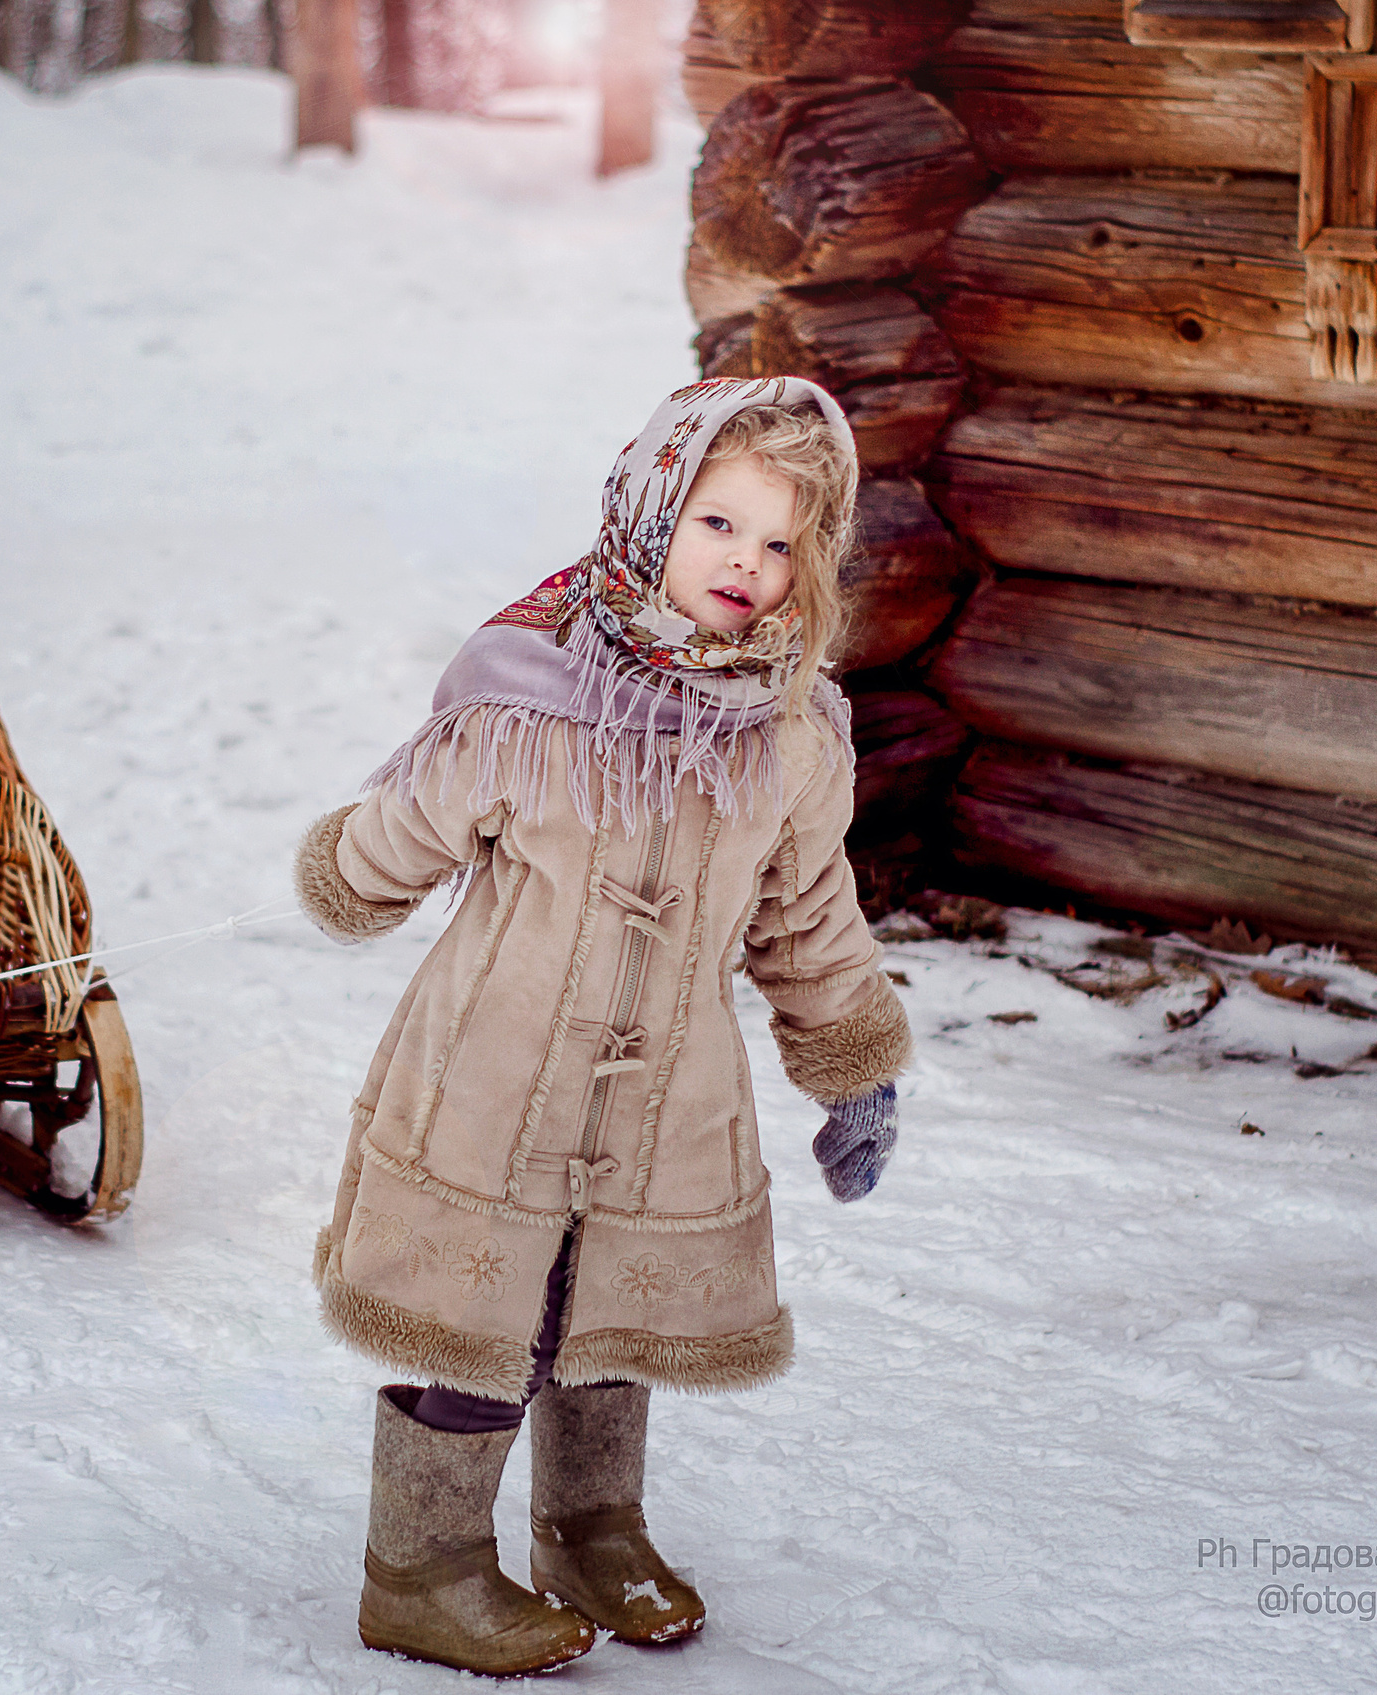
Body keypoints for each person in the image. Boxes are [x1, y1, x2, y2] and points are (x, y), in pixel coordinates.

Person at [290, 376, 912, 1674]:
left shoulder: (790, 742)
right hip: (488, 1088)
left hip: (660, 1103)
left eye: (782, 542)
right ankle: (422, 1564)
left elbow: (807, 920)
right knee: (479, 1325)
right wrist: (350, 869)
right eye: (718, 524)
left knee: (610, 1318)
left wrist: (852, 1064)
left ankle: (591, 1529)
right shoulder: (528, 700)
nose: (746, 563)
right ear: (648, 515)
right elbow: (402, 833)